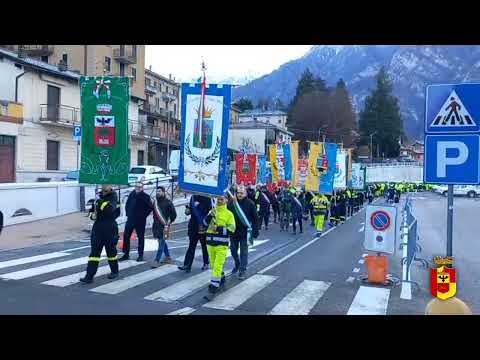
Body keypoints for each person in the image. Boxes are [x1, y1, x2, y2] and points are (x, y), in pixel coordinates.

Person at [80, 185, 119, 284]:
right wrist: (92, 214)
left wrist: (100, 201)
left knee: (111, 252)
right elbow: (92, 212)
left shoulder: (114, 197)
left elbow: (110, 210)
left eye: (107, 184)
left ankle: (114, 271)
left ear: (111, 186)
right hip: (98, 228)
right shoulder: (98, 196)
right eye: (103, 185)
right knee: (94, 253)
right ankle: (89, 276)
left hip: (110, 227)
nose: (104, 186)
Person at [205, 194, 236, 295]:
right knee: (214, 265)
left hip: (221, 245)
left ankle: (214, 285)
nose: (220, 200)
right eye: (218, 198)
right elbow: (204, 224)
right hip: (210, 243)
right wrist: (210, 216)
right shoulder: (212, 211)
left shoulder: (229, 214)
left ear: (227, 200)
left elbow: (232, 229)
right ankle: (221, 277)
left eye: (222, 198)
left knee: (217, 265)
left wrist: (218, 229)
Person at [227, 185, 259, 279]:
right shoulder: (232, 203)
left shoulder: (250, 203)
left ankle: (242, 269)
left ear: (245, 193)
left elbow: (255, 218)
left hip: (245, 232)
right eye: (238, 193)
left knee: (244, 252)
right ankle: (237, 263)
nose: (239, 195)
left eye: (241, 193)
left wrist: (256, 231)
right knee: (233, 250)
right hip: (234, 231)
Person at [120, 182, 152, 262]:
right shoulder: (132, 194)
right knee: (126, 236)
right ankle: (126, 254)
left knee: (140, 238)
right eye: (136, 186)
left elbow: (150, 208)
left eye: (139, 187)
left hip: (140, 221)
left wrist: (143, 216)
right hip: (130, 219)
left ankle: (140, 255)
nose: (137, 188)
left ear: (142, 188)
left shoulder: (146, 196)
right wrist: (128, 213)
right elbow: (127, 204)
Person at [178, 194, 211, 273]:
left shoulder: (207, 198)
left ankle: (206, 262)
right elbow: (190, 210)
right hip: (193, 226)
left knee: (204, 246)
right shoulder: (193, 197)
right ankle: (187, 265)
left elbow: (210, 211)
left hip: (203, 225)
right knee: (191, 246)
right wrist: (188, 210)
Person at [150, 186, 177, 268]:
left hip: (164, 226)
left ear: (163, 192)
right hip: (156, 226)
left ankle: (156, 260)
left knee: (161, 243)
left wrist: (169, 222)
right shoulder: (155, 203)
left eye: (159, 191)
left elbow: (174, 215)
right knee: (161, 242)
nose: (158, 192)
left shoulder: (168, 202)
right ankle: (168, 257)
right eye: (157, 191)